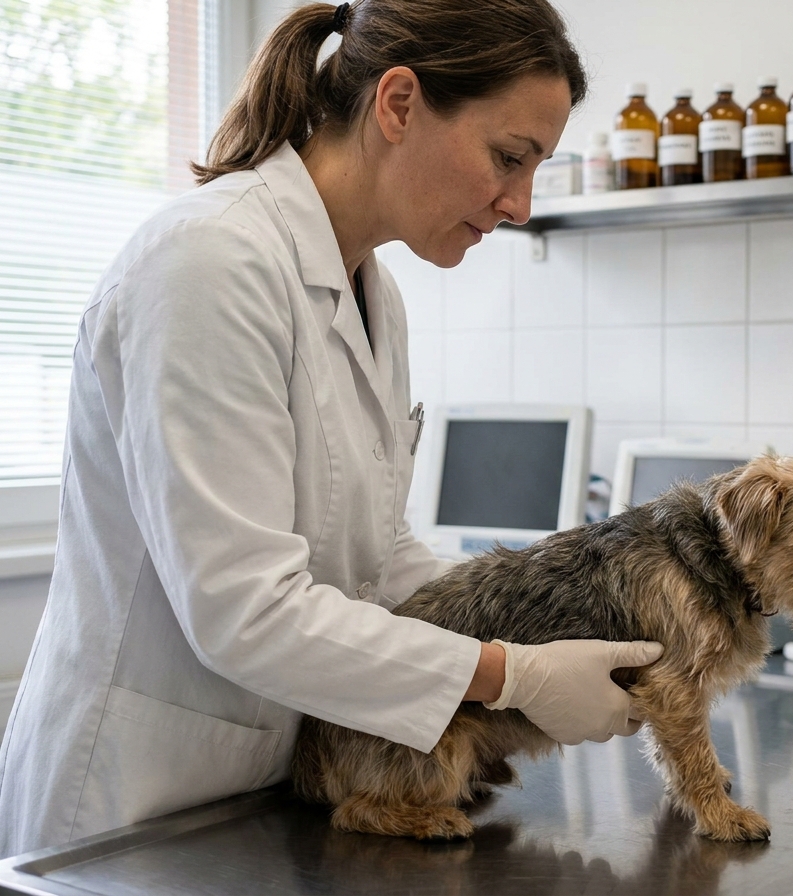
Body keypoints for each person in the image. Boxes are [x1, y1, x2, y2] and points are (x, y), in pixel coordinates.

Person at [0, 0, 662, 857]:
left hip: (265, 792)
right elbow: (244, 608)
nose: (521, 204)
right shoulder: (208, 262)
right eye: (509, 157)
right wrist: (510, 675)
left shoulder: (375, 295)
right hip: (132, 806)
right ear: (396, 103)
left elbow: (377, 561)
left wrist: (533, 624)